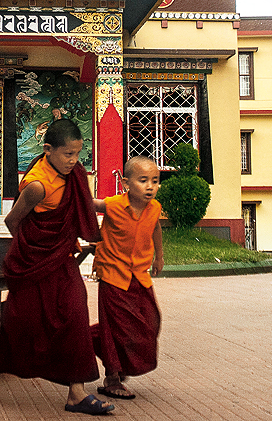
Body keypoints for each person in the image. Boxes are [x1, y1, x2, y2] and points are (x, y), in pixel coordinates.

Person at [0, 119, 113, 416]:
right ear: (48, 150)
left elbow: (81, 204)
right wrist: (35, 252)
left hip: (61, 261)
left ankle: (76, 393)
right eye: (67, 154)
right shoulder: (37, 186)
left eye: (77, 154)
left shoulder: (73, 174)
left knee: (76, 313)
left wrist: (115, 207)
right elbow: (11, 222)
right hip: (34, 263)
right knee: (23, 323)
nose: (73, 161)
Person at [90, 156, 164, 400]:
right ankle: (112, 378)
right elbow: (92, 204)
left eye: (155, 181)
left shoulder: (154, 208)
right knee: (115, 329)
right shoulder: (113, 205)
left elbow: (155, 228)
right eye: (143, 180)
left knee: (150, 321)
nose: (150, 186)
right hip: (112, 274)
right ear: (126, 183)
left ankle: (84, 339)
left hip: (139, 275)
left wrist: (159, 257)